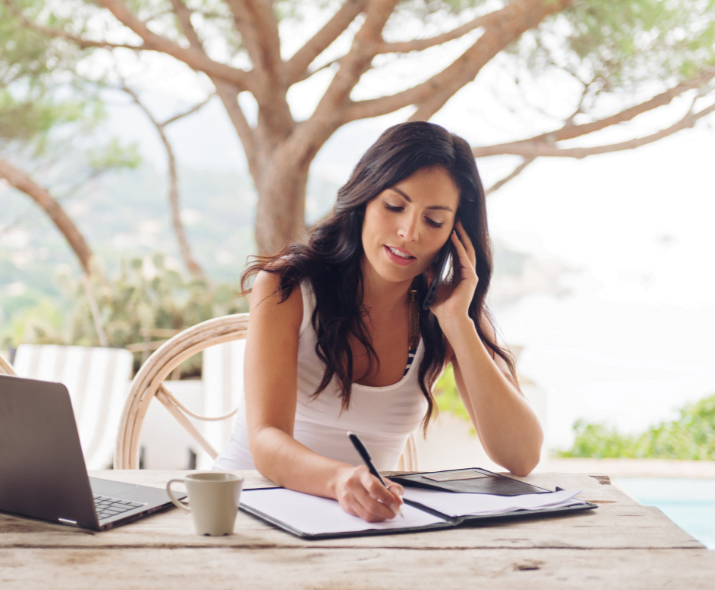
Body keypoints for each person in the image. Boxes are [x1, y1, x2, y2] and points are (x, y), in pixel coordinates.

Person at [212, 121, 543, 522]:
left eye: (434, 221)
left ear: (455, 235)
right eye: (394, 206)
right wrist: (341, 481)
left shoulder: (450, 308)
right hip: (246, 511)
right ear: (365, 198)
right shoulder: (289, 286)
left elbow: (522, 457)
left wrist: (458, 322)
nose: (409, 233)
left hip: (362, 524)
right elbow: (266, 441)